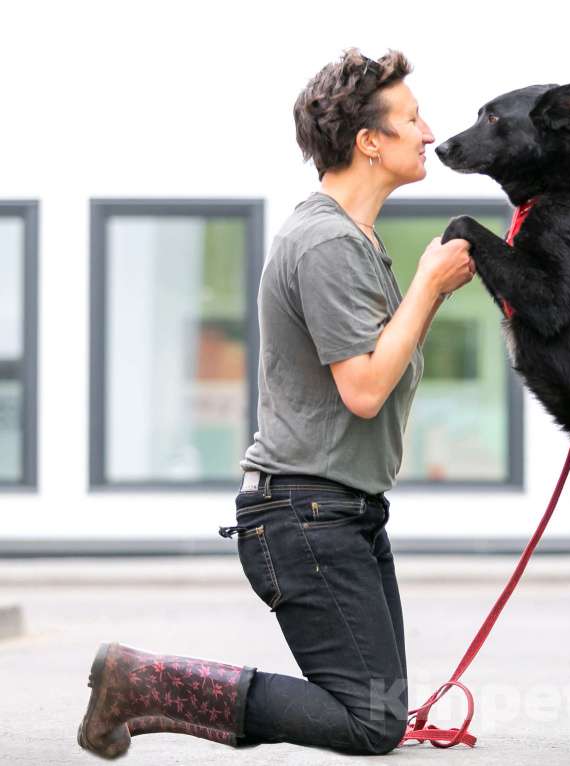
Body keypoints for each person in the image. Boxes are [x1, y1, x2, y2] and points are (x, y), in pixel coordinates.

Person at [76, 48, 474, 759]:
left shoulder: (354, 240)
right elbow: (364, 389)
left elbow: (375, 364)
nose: (430, 132)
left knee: (380, 708)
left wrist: (428, 290)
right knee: (369, 722)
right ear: (369, 141)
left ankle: (142, 685)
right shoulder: (324, 241)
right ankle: (142, 682)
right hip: (304, 515)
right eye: (412, 119)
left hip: (344, 512)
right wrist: (428, 284)